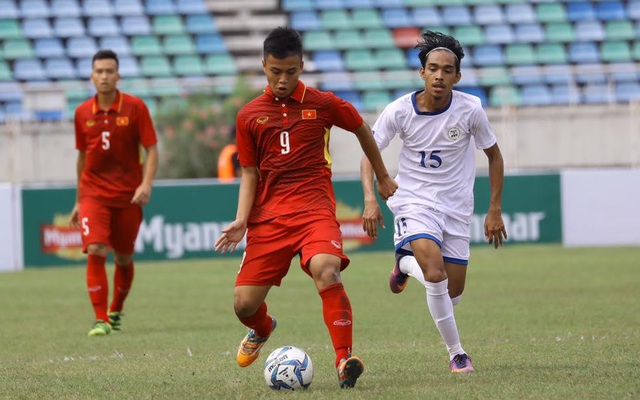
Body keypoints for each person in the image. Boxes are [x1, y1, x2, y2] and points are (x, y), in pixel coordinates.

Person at [215, 26, 397, 389]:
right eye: (275, 71)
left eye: (291, 72)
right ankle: (263, 329)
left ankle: (344, 359)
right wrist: (241, 219)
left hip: (315, 210)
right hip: (269, 219)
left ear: (301, 66)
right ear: (264, 65)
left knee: (327, 270)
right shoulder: (249, 115)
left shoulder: (322, 103)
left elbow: (362, 128)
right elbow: (249, 173)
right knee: (243, 305)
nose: (283, 80)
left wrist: (381, 178)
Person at [360, 31, 507, 374]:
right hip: (413, 201)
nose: (439, 75)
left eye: (447, 70)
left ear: (458, 76)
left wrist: (494, 209)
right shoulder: (399, 111)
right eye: (433, 68)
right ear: (422, 73)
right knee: (436, 273)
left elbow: (495, 156)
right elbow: (369, 152)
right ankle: (457, 354)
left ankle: (403, 265)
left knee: (450, 294)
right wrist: (370, 197)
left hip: (456, 208)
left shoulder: (471, 109)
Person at [69, 49, 158, 337]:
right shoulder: (82, 112)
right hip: (94, 194)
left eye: (109, 71)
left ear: (118, 76)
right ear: (92, 76)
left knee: (123, 257)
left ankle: (115, 309)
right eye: (99, 71)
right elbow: (82, 158)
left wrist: (146, 184)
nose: (104, 76)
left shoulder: (135, 108)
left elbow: (151, 148)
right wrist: (79, 199)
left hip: (127, 197)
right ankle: (100, 319)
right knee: (95, 249)